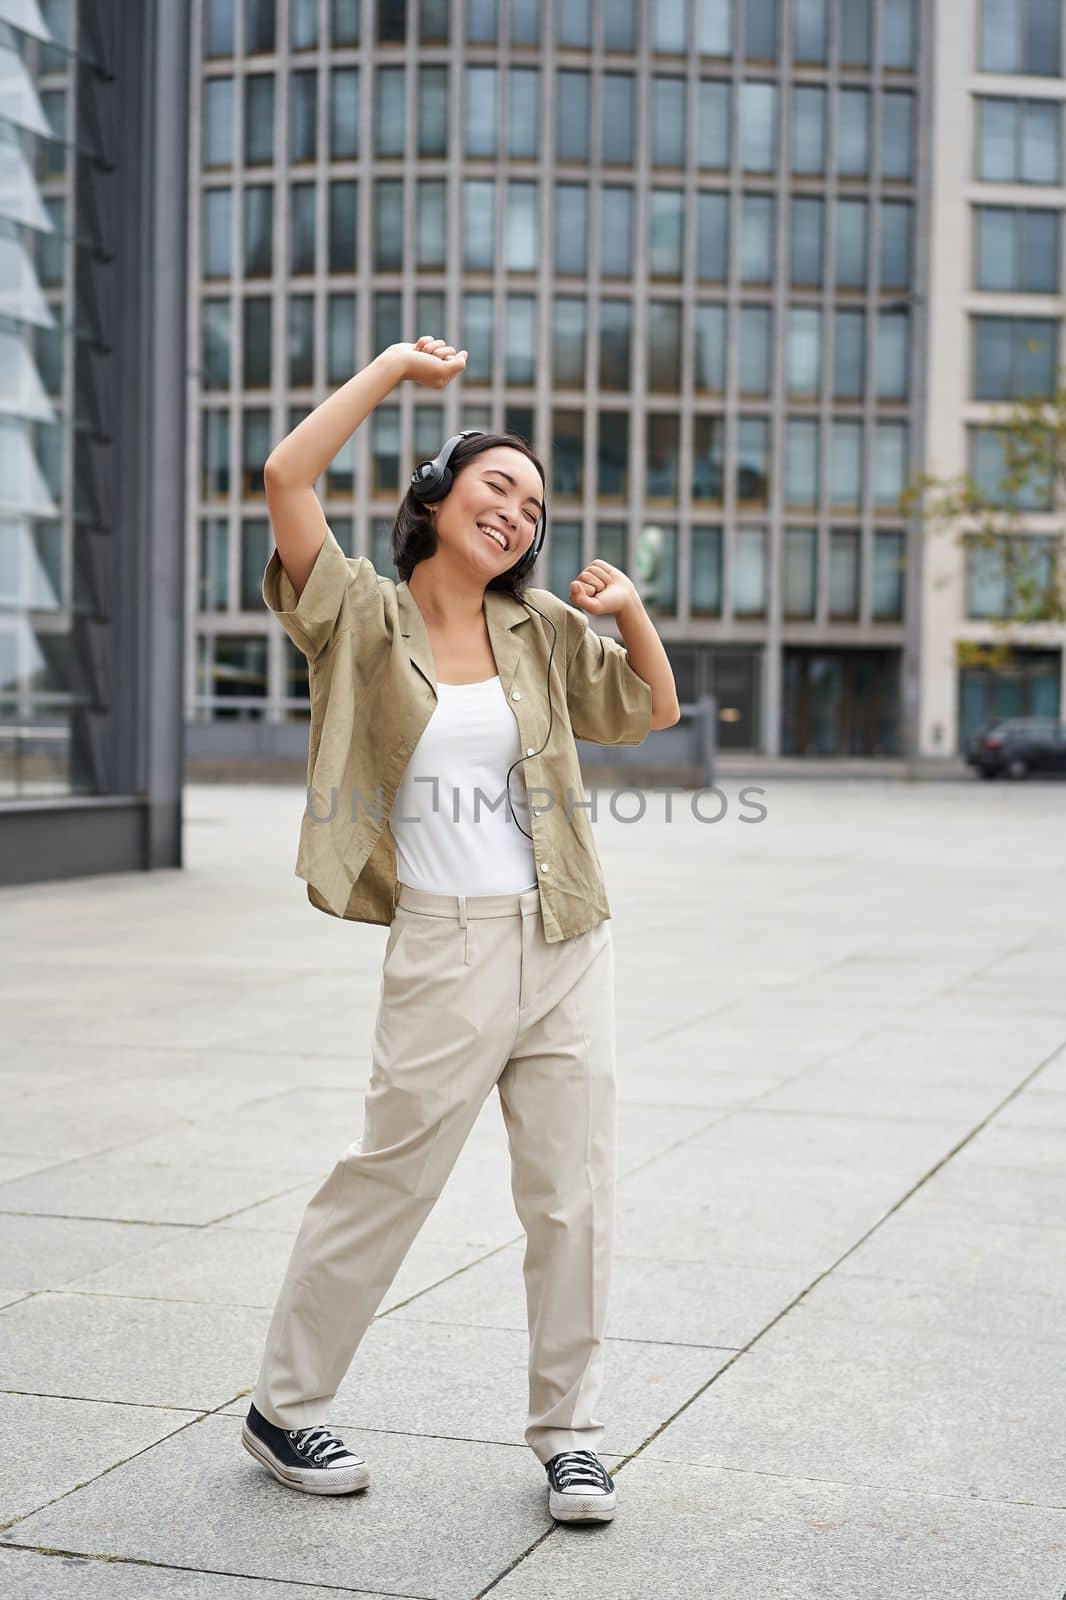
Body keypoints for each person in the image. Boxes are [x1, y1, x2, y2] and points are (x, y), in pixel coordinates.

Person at [240, 337, 681, 1525]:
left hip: (564, 937)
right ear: (434, 497)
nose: (520, 512)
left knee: (571, 1193)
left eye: (534, 505)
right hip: (444, 942)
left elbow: (648, 710)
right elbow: (287, 477)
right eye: (498, 485)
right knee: (388, 1178)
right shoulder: (357, 615)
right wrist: (388, 371)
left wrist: (630, 610)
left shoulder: (537, 626)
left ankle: (571, 1435)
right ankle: (283, 1405)